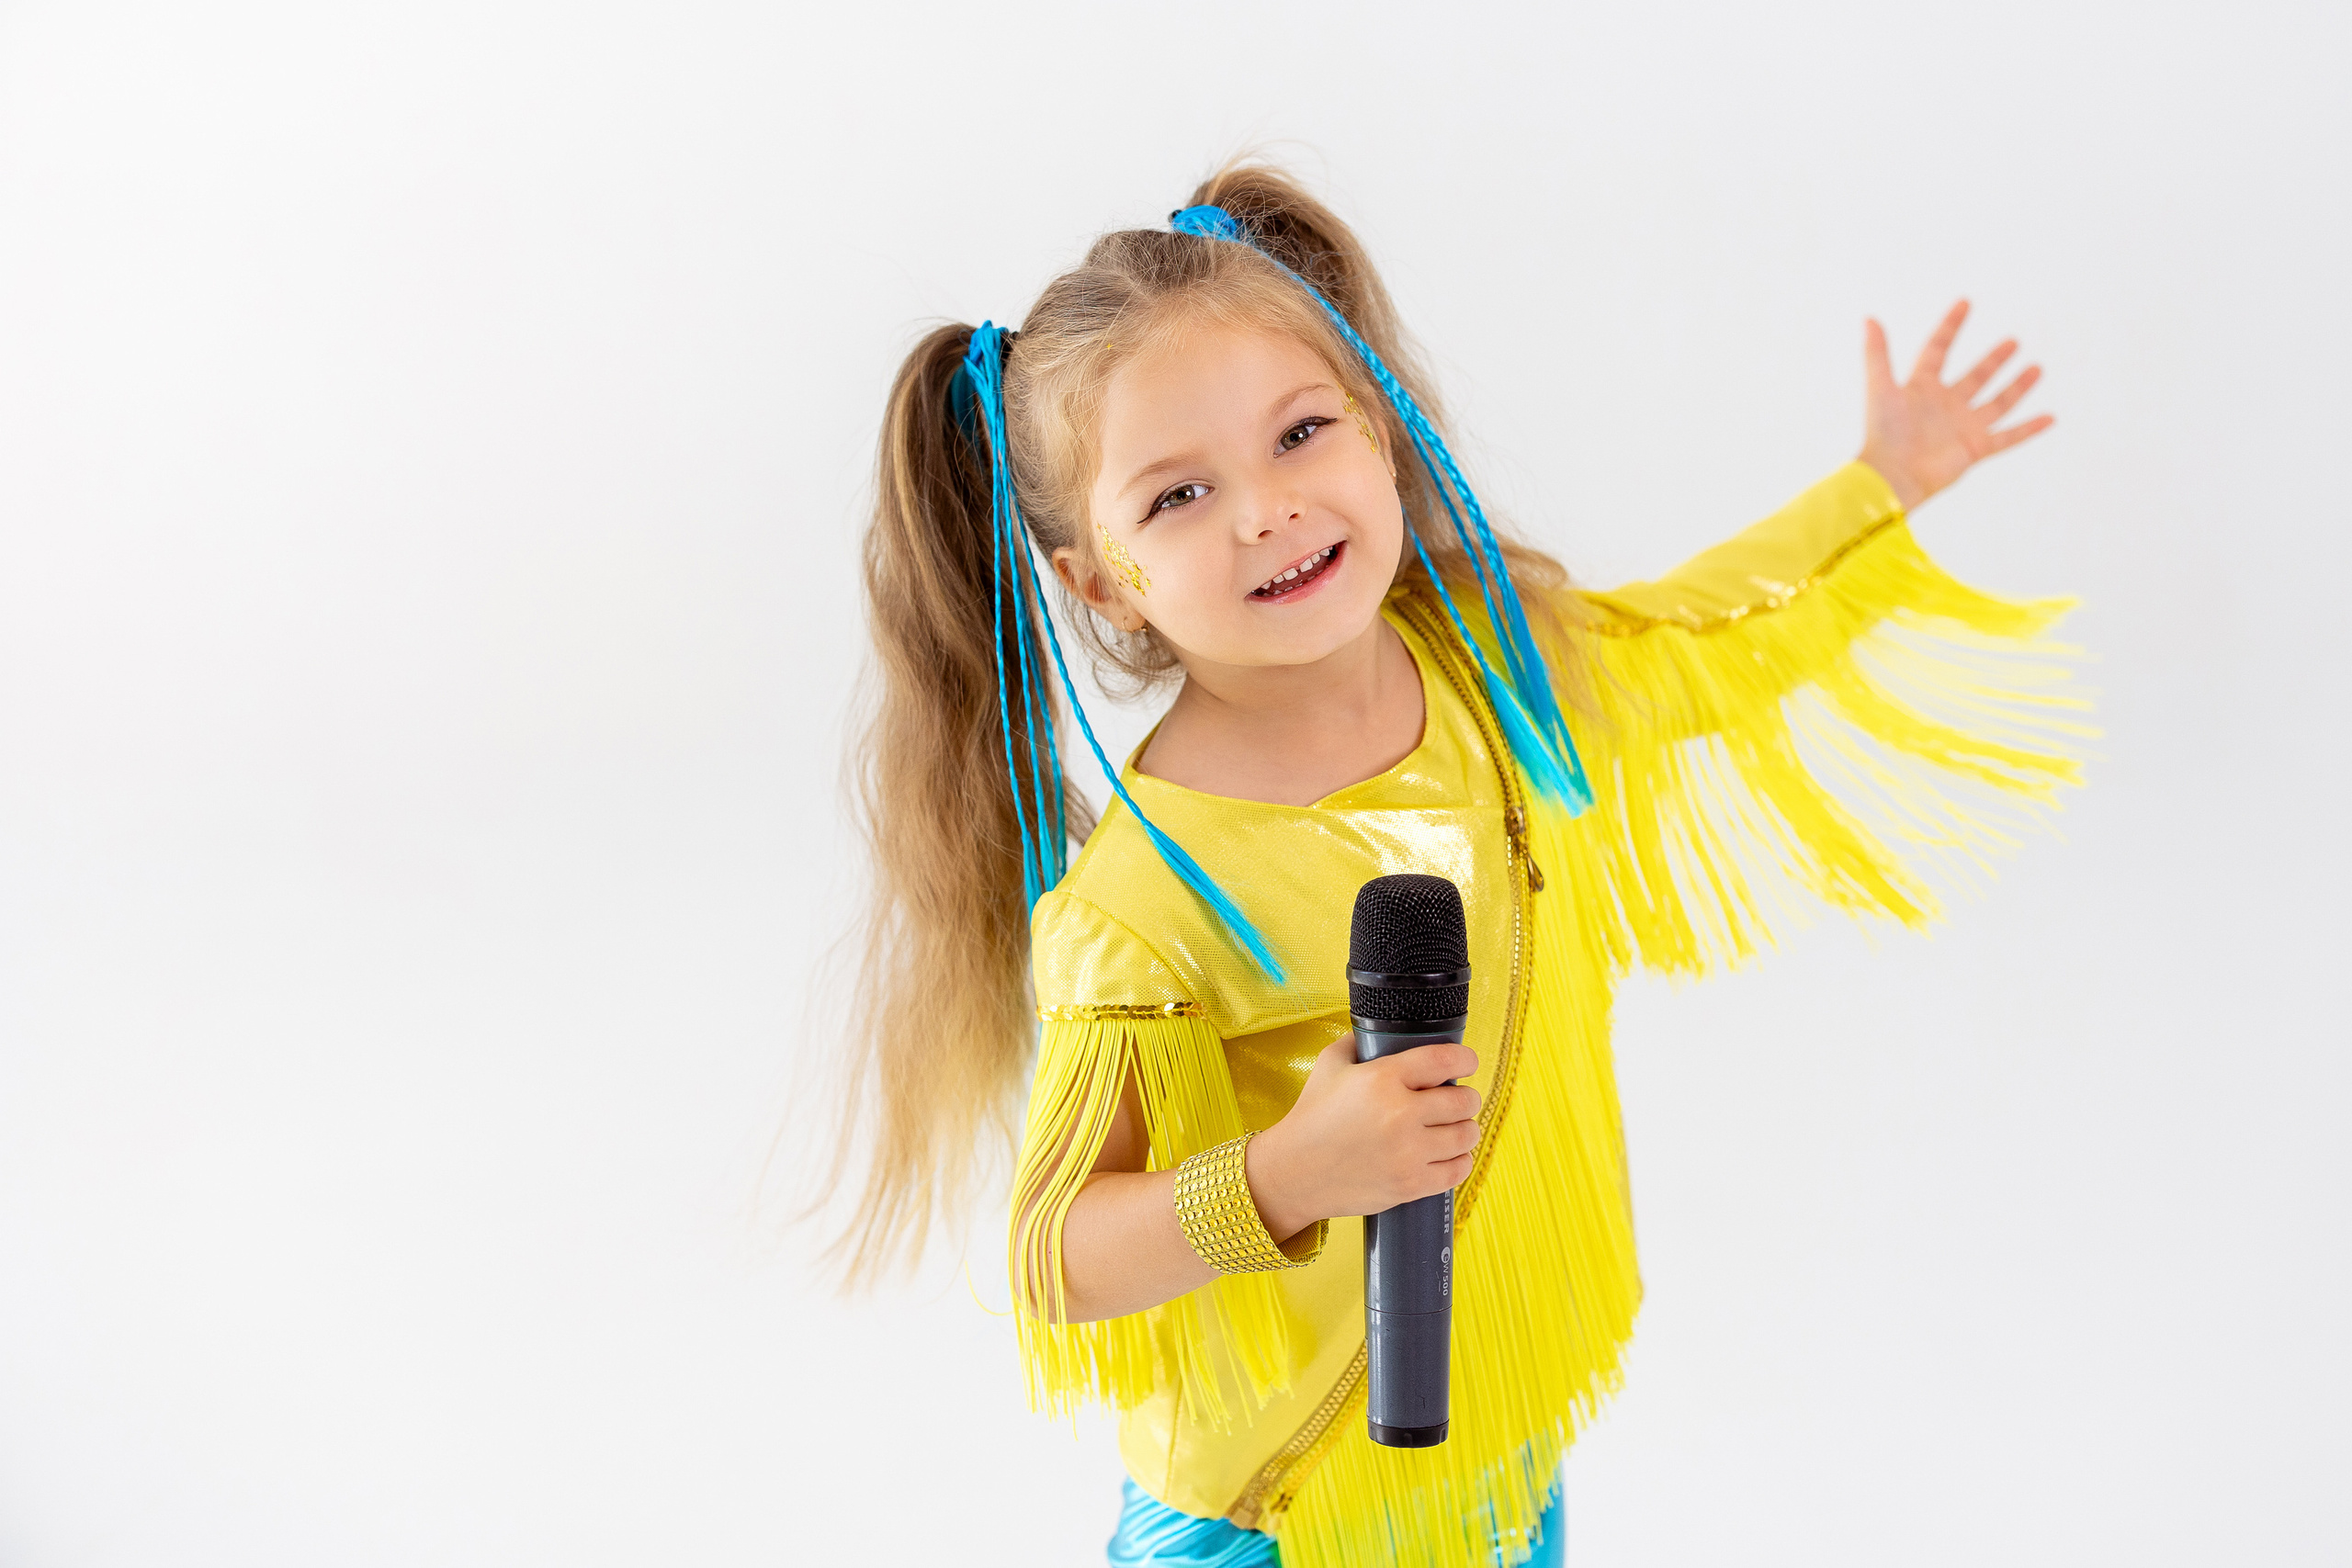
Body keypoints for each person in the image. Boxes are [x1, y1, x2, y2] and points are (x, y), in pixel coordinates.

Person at [824, 163, 2083, 1567]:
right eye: (1178, 494)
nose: (1265, 510)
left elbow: (1710, 636)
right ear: (1095, 578)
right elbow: (1055, 1254)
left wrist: (1882, 483)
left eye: (1302, 433)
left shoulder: (1494, 676)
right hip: (1276, 1510)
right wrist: (1291, 1172)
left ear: (1380, 422)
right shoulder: (1147, 899)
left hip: (1492, 1451)